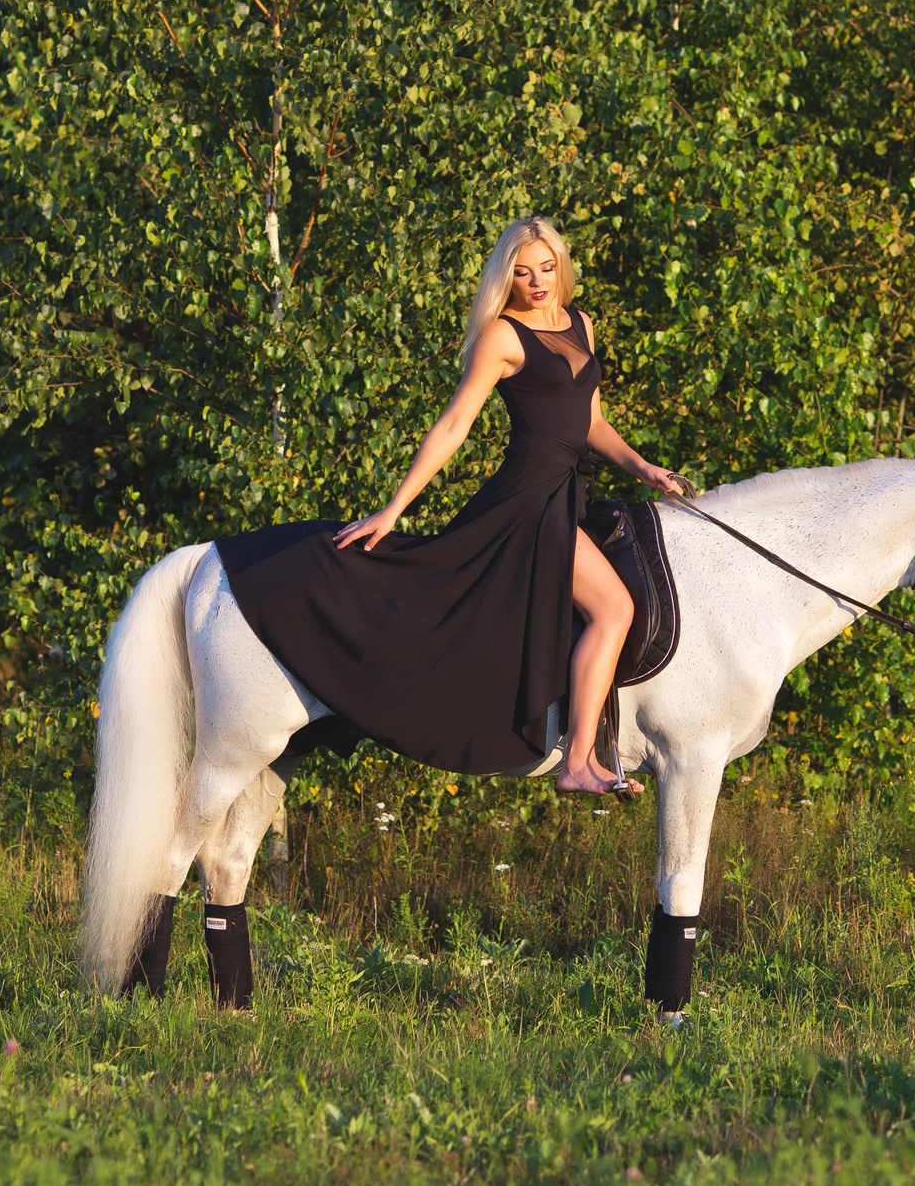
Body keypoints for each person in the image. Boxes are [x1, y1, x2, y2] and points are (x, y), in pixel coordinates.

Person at [215, 215, 684, 792]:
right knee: (614, 609)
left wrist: (642, 467)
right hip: (527, 503)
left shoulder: (580, 324)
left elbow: (592, 421)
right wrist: (393, 509)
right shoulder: (504, 337)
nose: (537, 281)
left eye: (546, 267)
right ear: (505, 277)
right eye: (522, 271)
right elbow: (454, 424)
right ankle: (578, 763)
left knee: (613, 602)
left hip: (570, 494)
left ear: (561, 267)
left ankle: (579, 755)